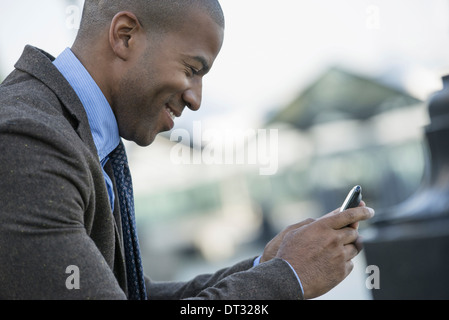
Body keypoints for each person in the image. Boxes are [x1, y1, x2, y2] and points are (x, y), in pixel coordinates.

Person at [0, 0, 374, 300]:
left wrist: (267, 265)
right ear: (125, 35)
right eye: (192, 69)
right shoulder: (29, 141)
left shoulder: (76, 133)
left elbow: (133, 294)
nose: (195, 99)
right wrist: (288, 278)